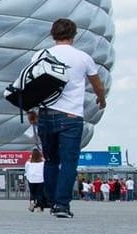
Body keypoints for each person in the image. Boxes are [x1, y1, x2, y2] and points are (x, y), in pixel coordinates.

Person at [27, 18, 105, 219]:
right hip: (71, 116)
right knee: (69, 162)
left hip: (46, 114)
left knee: (51, 160)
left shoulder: (40, 55)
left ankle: (52, 201)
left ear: (53, 34)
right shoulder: (83, 57)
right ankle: (62, 205)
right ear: (74, 35)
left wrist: (30, 110)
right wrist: (101, 99)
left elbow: (31, 84)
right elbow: (97, 84)